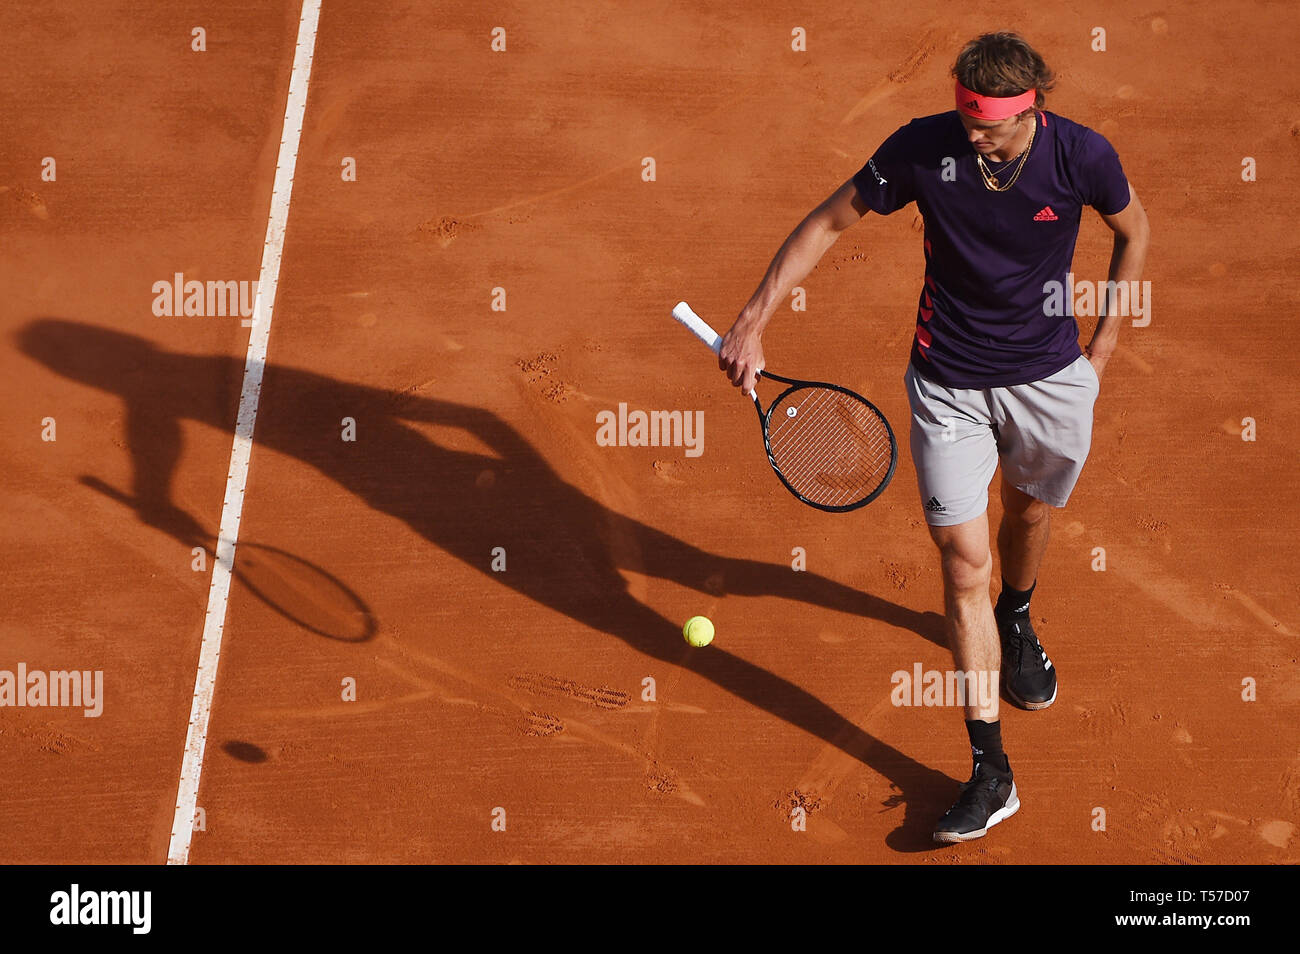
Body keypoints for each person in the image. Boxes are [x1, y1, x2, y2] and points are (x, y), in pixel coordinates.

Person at [717, 31, 1150, 843]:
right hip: (945, 383)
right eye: (965, 117)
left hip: (1050, 381)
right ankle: (991, 769)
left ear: (1033, 110)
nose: (972, 136)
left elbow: (1135, 233)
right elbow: (825, 223)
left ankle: (1017, 617)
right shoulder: (924, 148)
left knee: (1026, 519)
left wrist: (1106, 344)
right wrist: (752, 320)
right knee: (962, 564)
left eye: (987, 126)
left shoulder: (1084, 157)